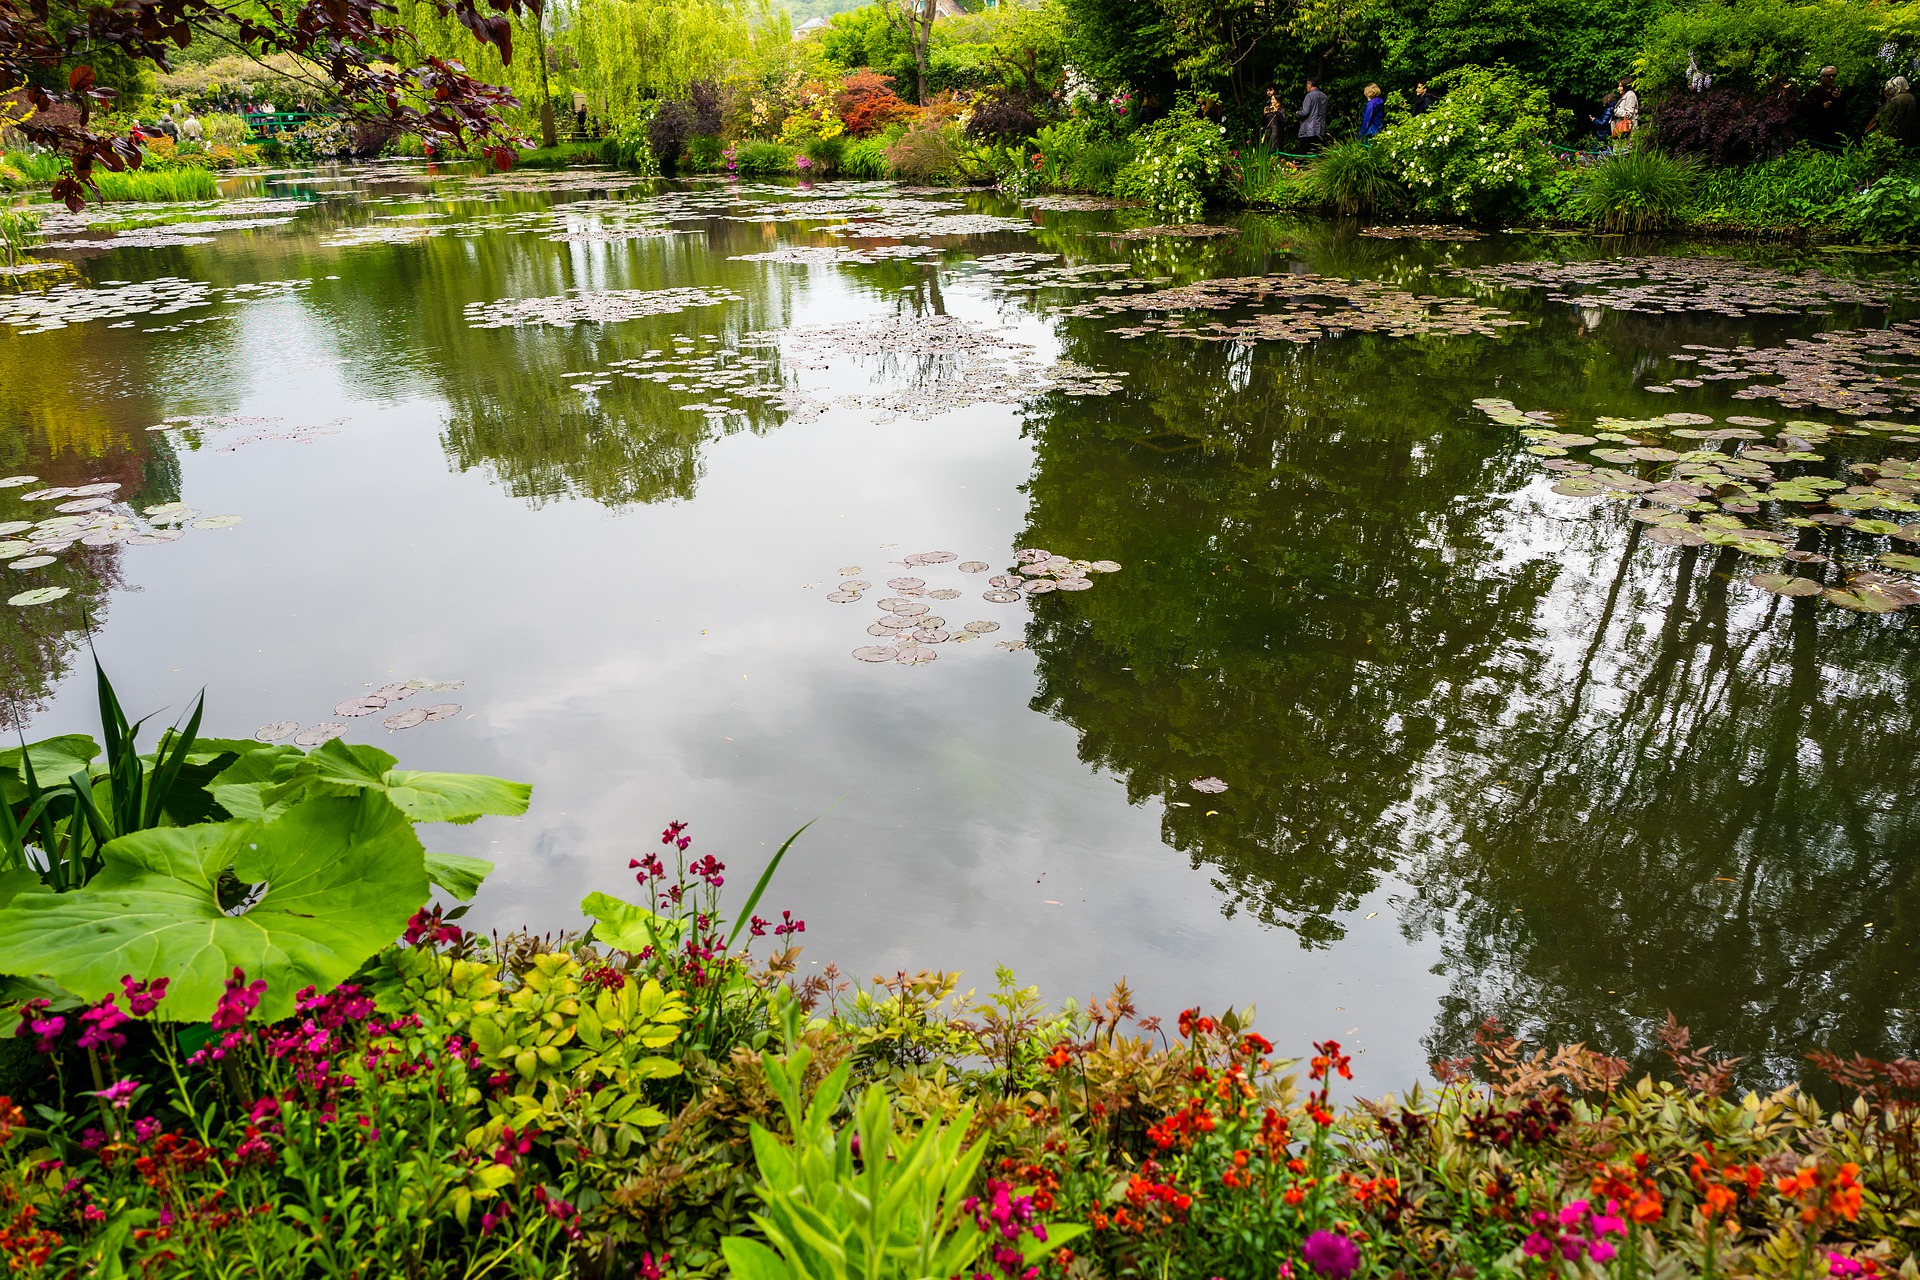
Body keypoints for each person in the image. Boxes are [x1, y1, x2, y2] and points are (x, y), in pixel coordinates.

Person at [1867, 75, 1918, 147]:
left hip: (1894, 140)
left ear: (1896, 86)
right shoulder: (1911, 97)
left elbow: (1884, 117)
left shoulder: (1896, 99)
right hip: (1908, 139)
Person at [1804, 66, 1844, 146]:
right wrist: (1821, 107)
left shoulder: (1836, 90)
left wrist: (1840, 98)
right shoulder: (1813, 92)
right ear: (1822, 77)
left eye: (1833, 75)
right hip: (1817, 132)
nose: (1831, 78)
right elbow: (1804, 111)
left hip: (1834, 131)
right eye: (1828, 76)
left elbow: (1842, 110)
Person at [1297, 77, 1328, 152]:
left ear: (1310, 84)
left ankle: (1298, 163)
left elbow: (1305, 112)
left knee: (1303, 151)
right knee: (1317, 152)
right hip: (1320, 128)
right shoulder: (1324, 96)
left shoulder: (1309, 96)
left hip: (1308, 129)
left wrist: (1298, 113)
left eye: (1306, 85)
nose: (1306, 87)